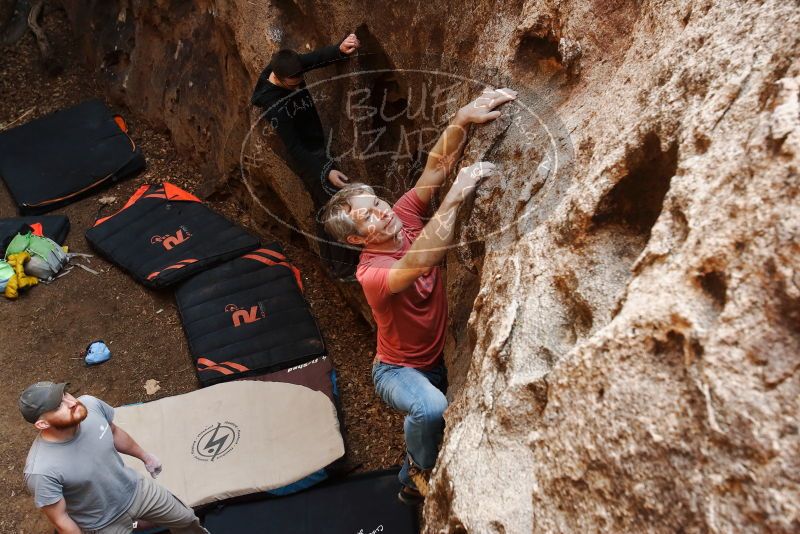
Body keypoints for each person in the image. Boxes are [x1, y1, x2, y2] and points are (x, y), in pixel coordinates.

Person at [321, 87, 517, 504]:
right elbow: (420, 261)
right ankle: (415, 474)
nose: (383, 211)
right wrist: (458, 193)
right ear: (357, 238)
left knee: (436, 407)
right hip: (396, 371)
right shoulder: (371, 272)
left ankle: (418, 457)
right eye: (369, 215)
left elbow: (434, 169)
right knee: (430, 408)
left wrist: (462, 119)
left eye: (377, 201)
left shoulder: (404, 217)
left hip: (432, 361)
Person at [19, 381, 209, 534]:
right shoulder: (41, 470)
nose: (72, 402)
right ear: (42, 424)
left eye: (65, 395)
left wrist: (145, 456)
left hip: (137, 491)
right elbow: (61, 520)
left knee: (187, 520)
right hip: (102, 524)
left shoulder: (91, 405)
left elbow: (114, 431)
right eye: (59, 405)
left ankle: (139, 522)